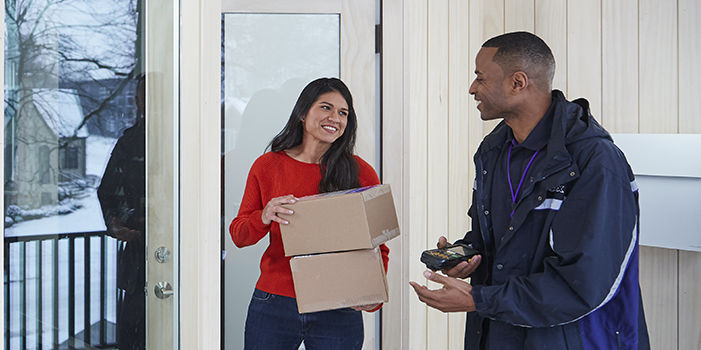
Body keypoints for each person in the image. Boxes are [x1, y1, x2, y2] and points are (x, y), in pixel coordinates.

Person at [409, 31, 649, 350]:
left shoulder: (595, 162)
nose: (472, 88)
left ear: (517, 83)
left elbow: (583, 284)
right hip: (498, 336)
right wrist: (468, 254)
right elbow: (506, 241)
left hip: (574, 340)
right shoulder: (493, 151)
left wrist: (479, 298)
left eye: (480, 78)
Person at [229, 77, 389, 350]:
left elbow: (379, 243)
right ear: (303, 113)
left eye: (343, 113)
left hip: (339, 304)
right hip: (275, 302)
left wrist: (372, 294)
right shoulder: (267, 165)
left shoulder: (360, 171)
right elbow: (239, 235)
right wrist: (264, 216)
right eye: (325, 107)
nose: (335, 118)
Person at [97, 74, 146, 350]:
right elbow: (107, 192)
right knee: (132, 335)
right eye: (141, 97)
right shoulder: (128, 143)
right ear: (137, 101)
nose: (145, 102)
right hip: (138, 255)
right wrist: (115, 223)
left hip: (180, 254)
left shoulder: (184, 139)